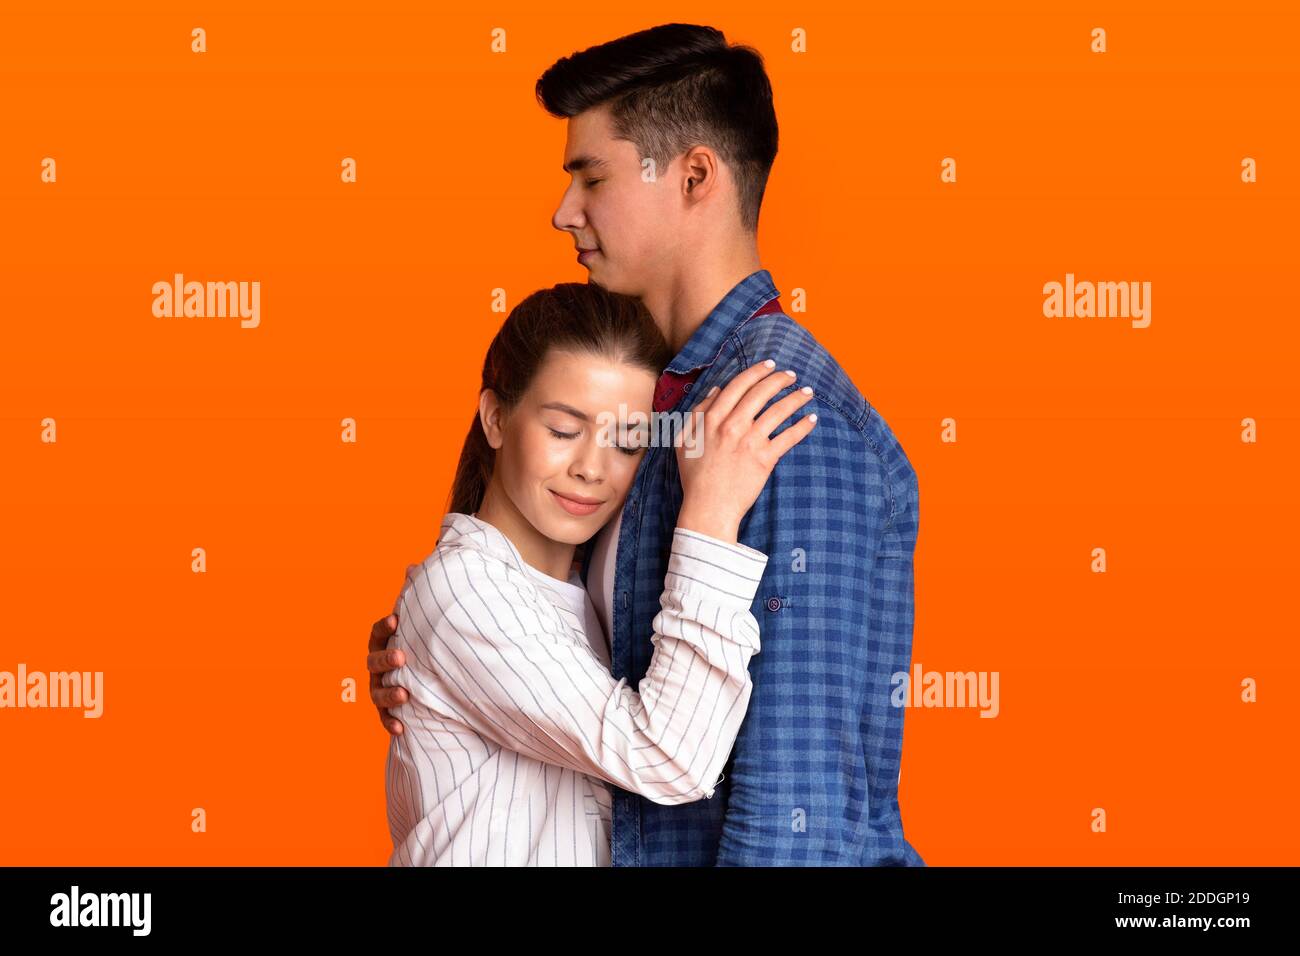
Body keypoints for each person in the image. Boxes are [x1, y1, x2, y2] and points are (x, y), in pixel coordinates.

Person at [370, 22, 925, 866]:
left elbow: (796, 815)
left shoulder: (777, 420)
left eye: (591, 176)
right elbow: (559, 642)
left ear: (695, 175)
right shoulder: (655, 404)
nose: (562, 212)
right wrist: (437, 656)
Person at [384, 282, 817, 865]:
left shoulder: (591, 588)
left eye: (627, 441)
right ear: (494, 418)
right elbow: (669, 758)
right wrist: (713, 511)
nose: (591, 468)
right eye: (563, 431)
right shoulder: (465, 590)